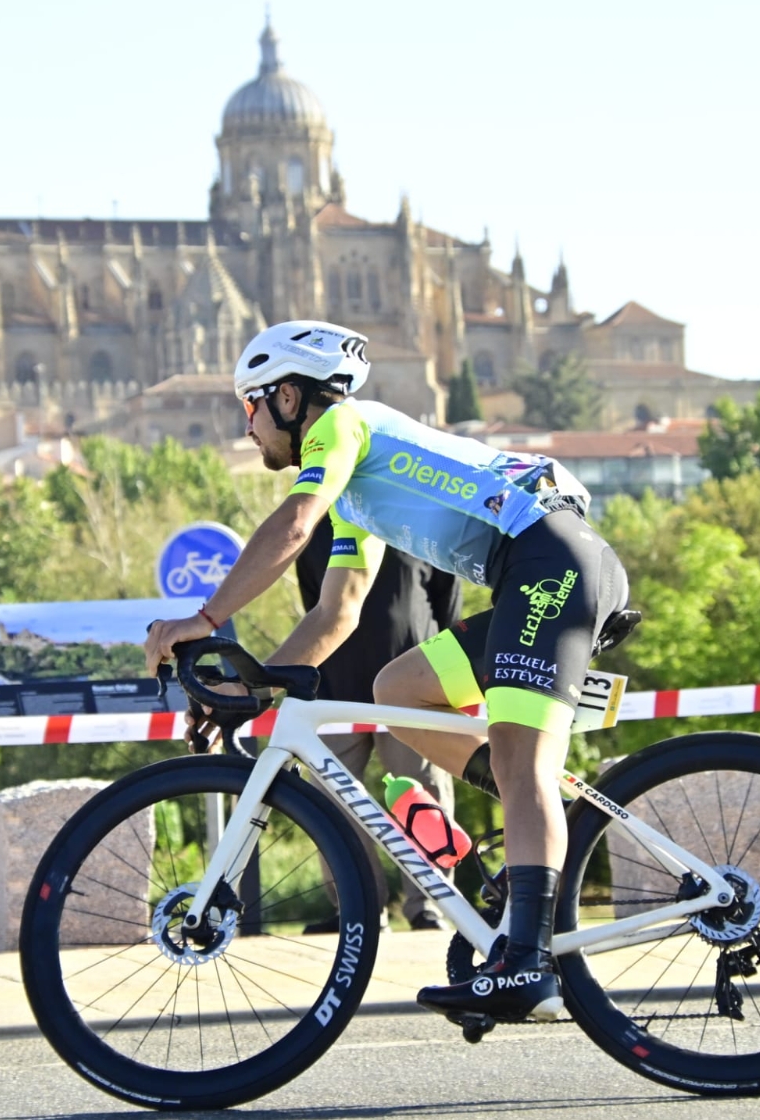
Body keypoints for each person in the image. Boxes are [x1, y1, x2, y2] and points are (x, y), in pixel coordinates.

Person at [145, 320, 629, 1025]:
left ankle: (526, 963)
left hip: (551, 564)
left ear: (286, 395)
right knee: (397, 691)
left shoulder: (343, 426)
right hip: (540, 571)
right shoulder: (360, 487)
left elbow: (292, 524)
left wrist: (206, 617)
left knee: (523, 765)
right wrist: (252, 689)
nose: (246, 427)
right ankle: (540, 822)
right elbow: (337, 611)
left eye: (248, 406)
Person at [295, 513, 462, 933]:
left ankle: (430, 906)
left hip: (414, 693)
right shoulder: (317, 529)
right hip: (336, 691)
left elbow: (448, 607)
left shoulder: (418, 526)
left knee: (423, 798)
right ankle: (358, 907)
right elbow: (315, 606)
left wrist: (443, 682)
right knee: (332, 804)